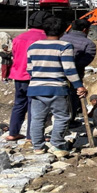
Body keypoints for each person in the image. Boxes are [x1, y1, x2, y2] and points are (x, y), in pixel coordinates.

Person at [27, 17, 88, 157]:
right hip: (57, 88)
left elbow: (30, 69)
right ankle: (57, 144)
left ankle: (38, 147)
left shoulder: (33, 46)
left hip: (36, 88)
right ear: (63, 31)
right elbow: (69, 69)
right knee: (62, 117)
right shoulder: (65, 46)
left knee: (37, 118)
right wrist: (79, 86)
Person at [7, 10, 51, 142]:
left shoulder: (18, 38)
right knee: (35, 106)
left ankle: (13, 133)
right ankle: (32, 136)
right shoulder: (45, 38)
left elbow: (14, 55)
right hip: (35, 76)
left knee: (19, 104)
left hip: (18, 75)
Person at [61, 19, 97, 123]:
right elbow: (85, 61)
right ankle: (70, 120)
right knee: (73, 96)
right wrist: (71, 66)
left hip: (56, 73)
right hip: (75, 75)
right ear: (85, 29)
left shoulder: (61, 38)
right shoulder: (89, 44)